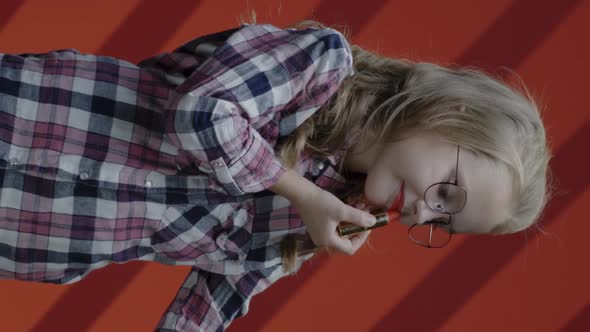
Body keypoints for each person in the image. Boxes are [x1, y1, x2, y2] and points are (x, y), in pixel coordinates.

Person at [0, 17, 551, 331]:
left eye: (441, 223)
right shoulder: (321, 66)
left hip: (22, 234)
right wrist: (296, 189)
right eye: (446, 192)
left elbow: (215, 298)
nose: (423, 211)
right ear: (448, 115)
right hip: (24, 114)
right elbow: (202, 116)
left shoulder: (310, 224)